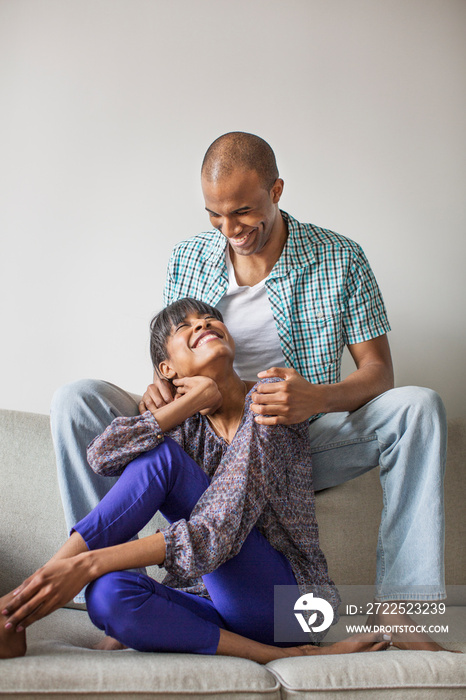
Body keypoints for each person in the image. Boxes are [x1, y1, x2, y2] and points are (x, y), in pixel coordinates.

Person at [50, 132, 447, 650]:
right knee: (77, 400)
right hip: (205, 431)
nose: (229, 229)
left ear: (277, 190)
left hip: (292, 427)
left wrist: (317, 398)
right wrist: (162, 398)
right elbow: (167, 352)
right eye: (215, 215)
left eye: (241, 211)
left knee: (418, 407)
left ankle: (404, 610)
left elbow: (378, 373)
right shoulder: (189, 258)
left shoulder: (340, 258)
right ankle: (87, 586)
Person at [0, 298, 393, 660]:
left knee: (158, 471)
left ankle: (296, 653)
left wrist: (87, 564)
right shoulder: (185, 427)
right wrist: (184, 404)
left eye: (210, 319)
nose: (203, 323)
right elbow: (102, 457)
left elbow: (216, 531)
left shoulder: (272, 400)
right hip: (212, 604)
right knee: (107, 596)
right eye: (183, 326)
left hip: (291, 607)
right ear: (166, 370)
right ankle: (17, 610)